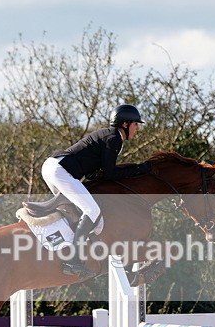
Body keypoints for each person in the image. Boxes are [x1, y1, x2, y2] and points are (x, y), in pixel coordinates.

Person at [40, 103, 151, 277]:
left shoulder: (109, 136)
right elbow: (110, 173)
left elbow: (94, 173)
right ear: (125, 124)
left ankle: (61, 248)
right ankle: (73, 261)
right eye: (136, 124)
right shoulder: (114, 138)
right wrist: (140, 169)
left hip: (53, 166)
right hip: (60, 170)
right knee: (92, 210)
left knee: (76, 211)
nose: (137, 128)